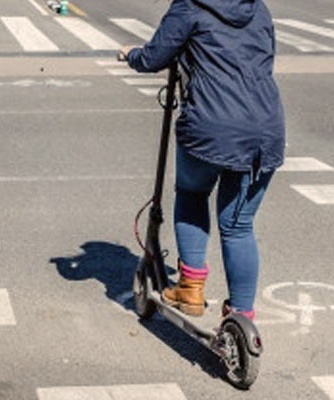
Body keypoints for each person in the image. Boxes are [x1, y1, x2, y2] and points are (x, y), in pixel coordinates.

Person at [119, 0, 284, 321]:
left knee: (192, 194)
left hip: (211, 125)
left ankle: (191, 287)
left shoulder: (190, 6)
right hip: (265, 128)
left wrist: (131, 54)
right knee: (238, 226)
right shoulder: (257, 8)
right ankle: (241, 316)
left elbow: (154, 57)